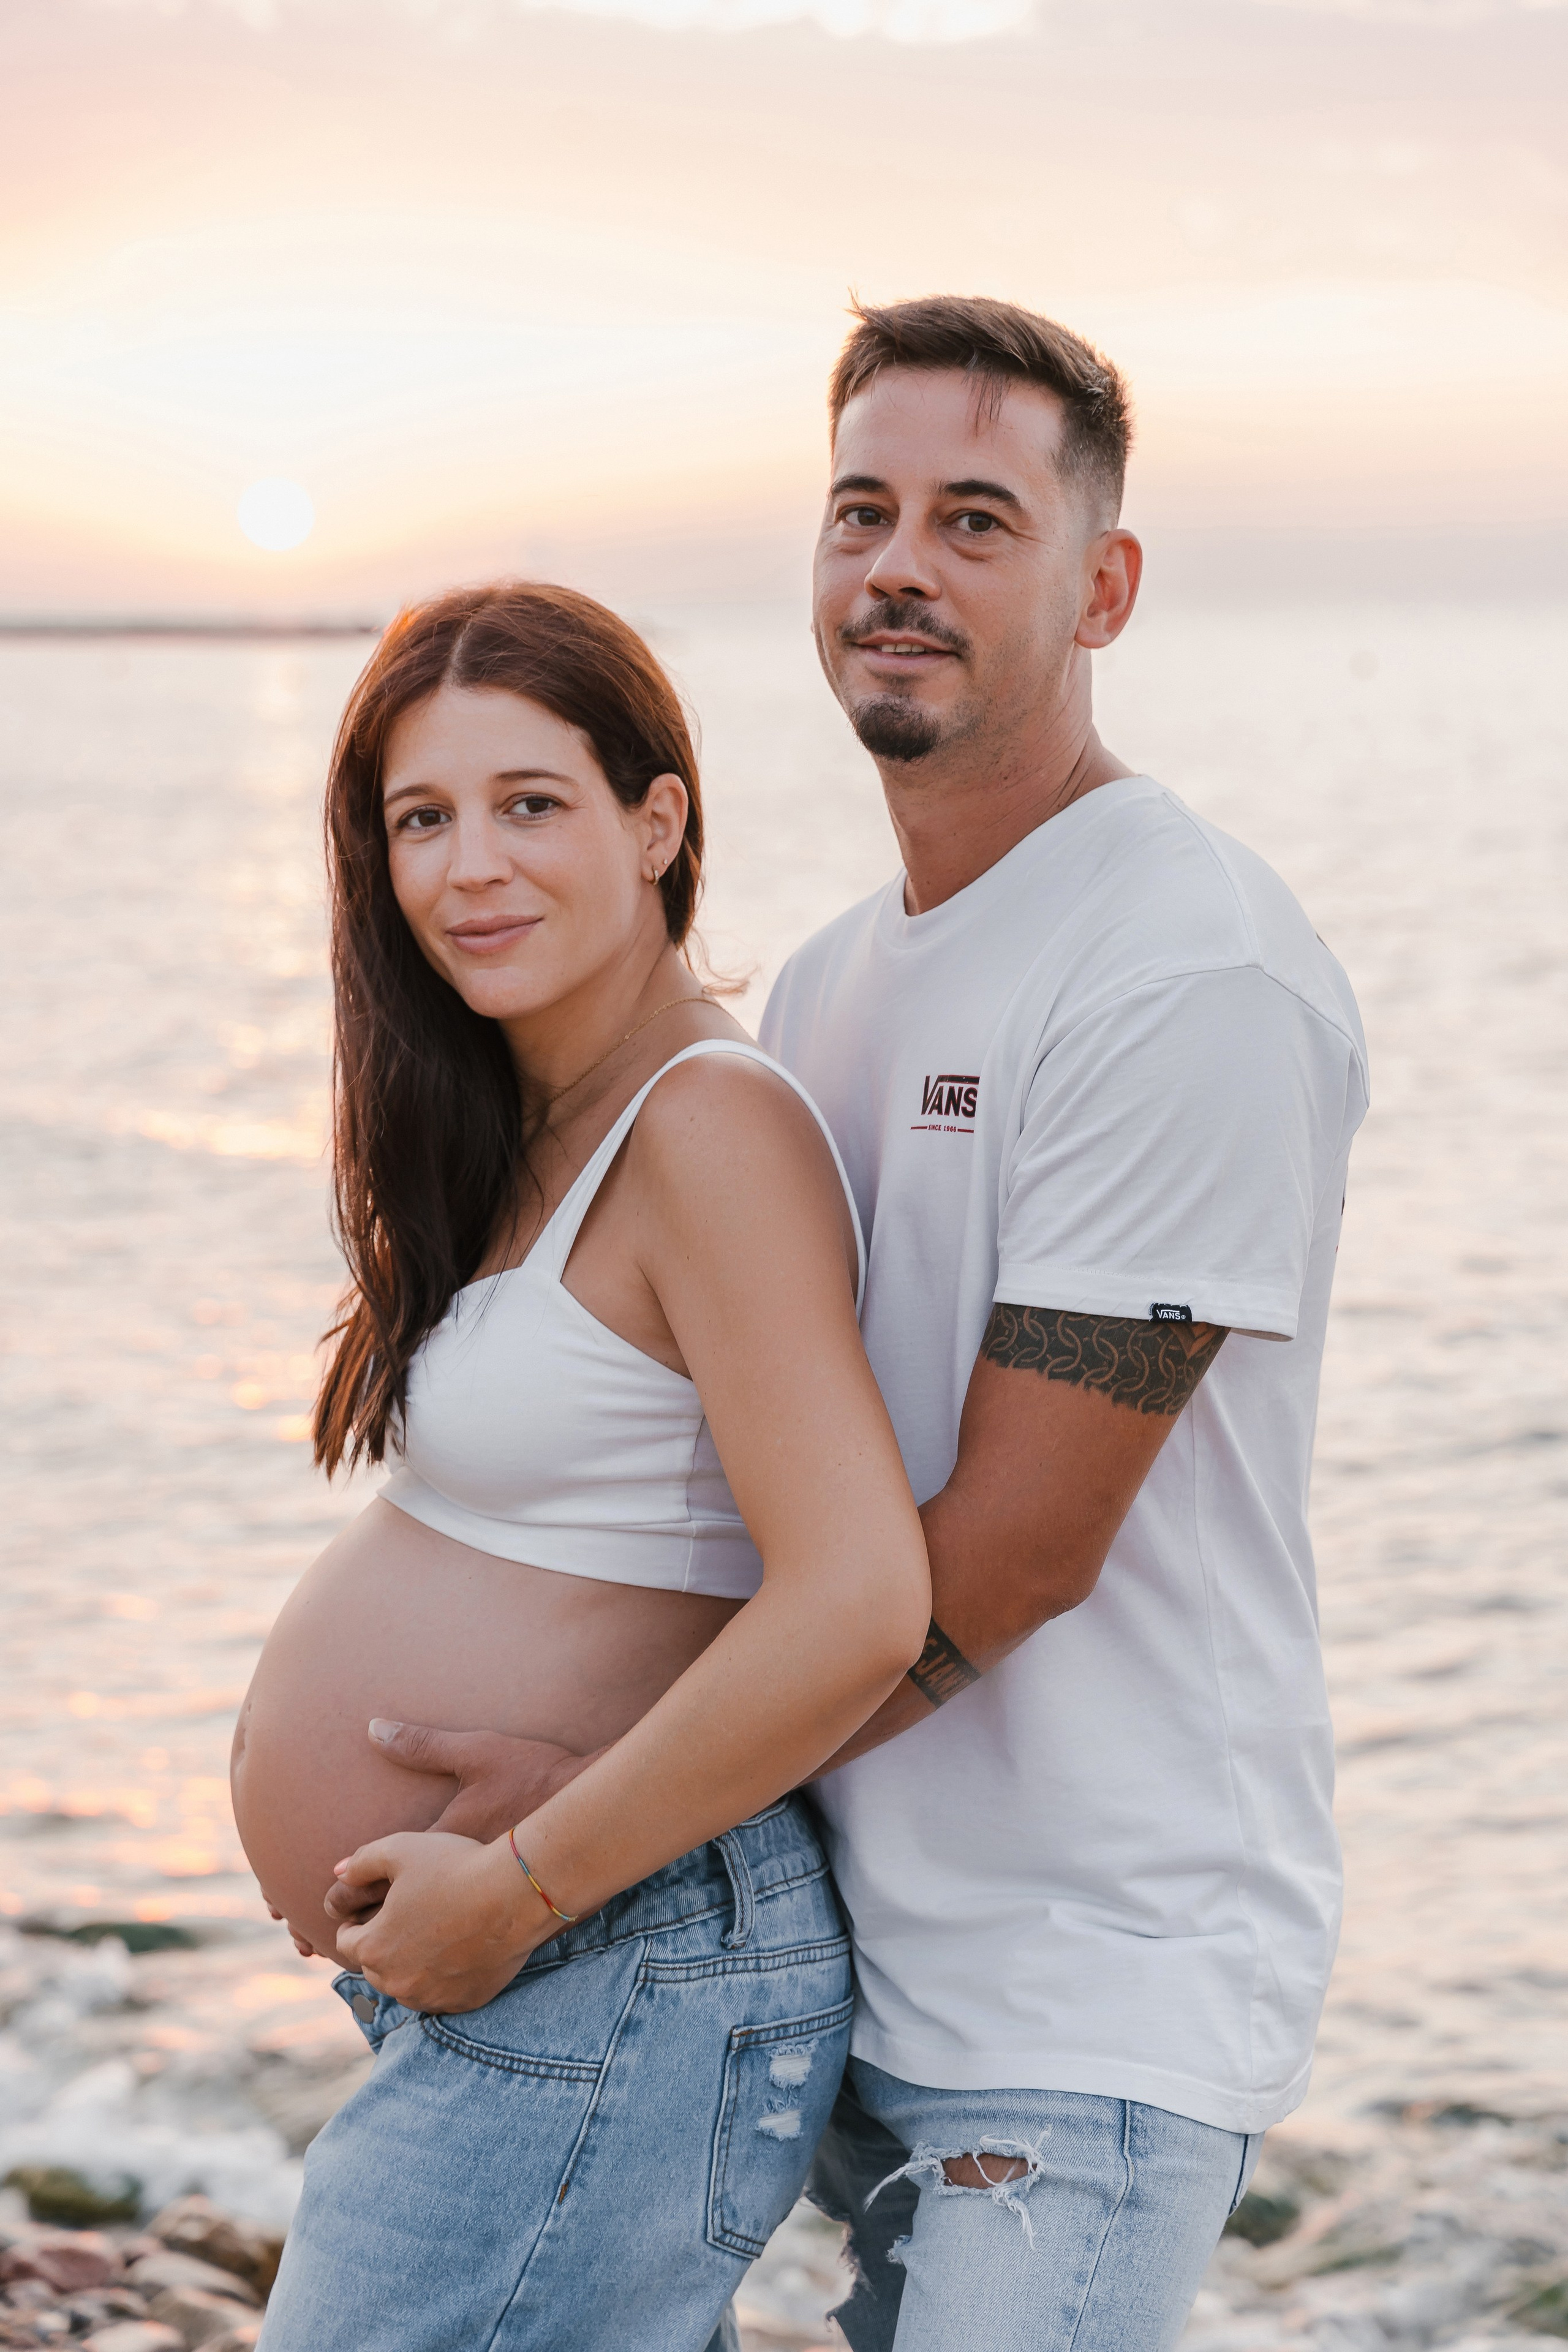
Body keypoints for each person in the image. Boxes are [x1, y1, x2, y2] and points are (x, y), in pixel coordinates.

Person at [366, 297, 1370, 2350]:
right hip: (819, 1926)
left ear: (1105, 587)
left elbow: (1014, 1550)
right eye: (862, 511)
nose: (898, 565)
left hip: (1079, 1983)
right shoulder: (832, 986)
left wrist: (568, 1844)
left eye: (977, 520)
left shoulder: (1185, 970)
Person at [231, 581, 930, 2352]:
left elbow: (859, 1595)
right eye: (422, 818)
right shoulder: (533, 1117)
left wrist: (527, 1882)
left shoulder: (707, 1129)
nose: (471, 866)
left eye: (529, 802)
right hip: (556, 1955)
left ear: (658, 820)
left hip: (615, 1950)